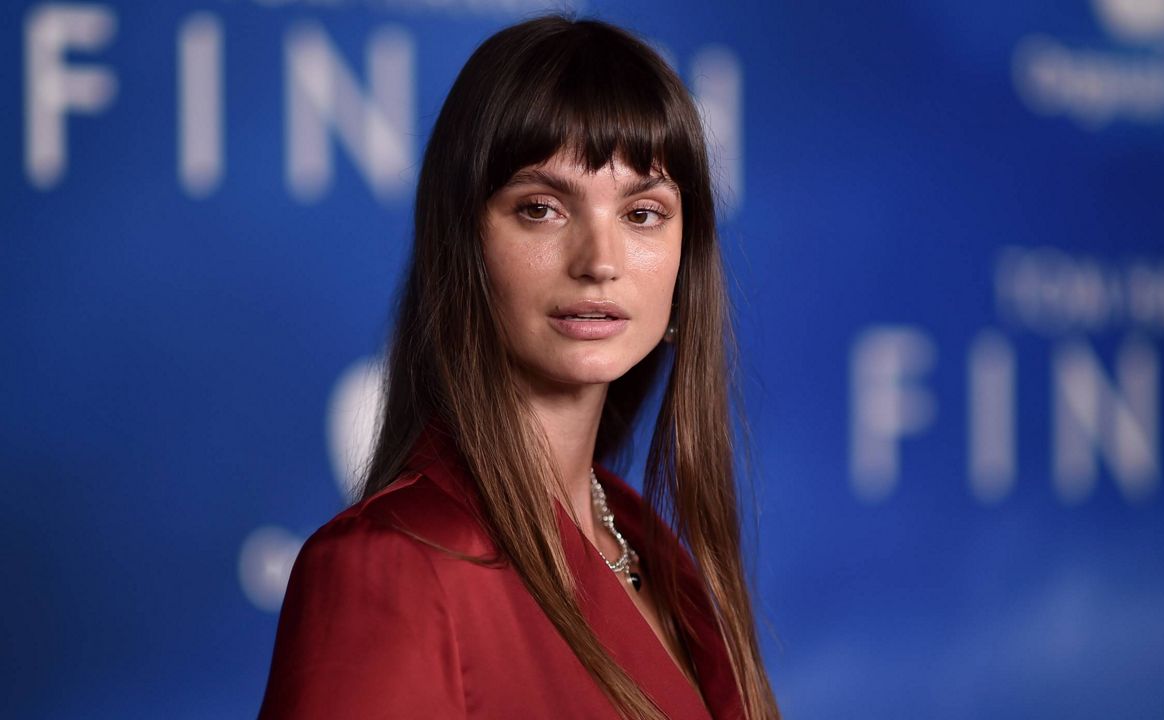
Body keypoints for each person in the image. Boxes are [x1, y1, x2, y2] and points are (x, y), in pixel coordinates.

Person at [258, 14, 779, 720]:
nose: (599, 261)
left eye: (643, 213)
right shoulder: (386, 568)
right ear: (462, 243)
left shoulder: (658, 557)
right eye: (541, 208)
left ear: (687, 260)